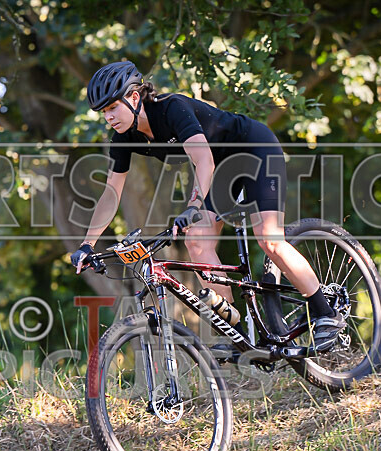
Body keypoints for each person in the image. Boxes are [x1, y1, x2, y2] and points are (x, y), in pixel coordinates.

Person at [71, 60, 345, 351]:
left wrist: (193, 205)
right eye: (104, 112)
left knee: (269, 239)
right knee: (198, 242)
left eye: (113, 107)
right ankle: (236, 333)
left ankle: (325, 312)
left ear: (134, 97)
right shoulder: (123, 139)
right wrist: (88, 244)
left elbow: (203, 159)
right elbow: (111, 192)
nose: (109, 117)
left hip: (253, 148)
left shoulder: (170, 108)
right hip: (223, 169)